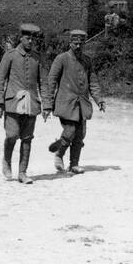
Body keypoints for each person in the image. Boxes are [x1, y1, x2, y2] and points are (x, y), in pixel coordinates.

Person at [43, 29, 104, 175]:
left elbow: (93, 82)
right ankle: (59, 154)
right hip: (66, 104)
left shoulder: (87, 61)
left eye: (81, 44)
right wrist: (47, 104)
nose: (78, 46)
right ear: (70, 43)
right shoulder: (61, 59)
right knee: (70, 130)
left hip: (82, 105)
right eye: (75, 43)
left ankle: (74, 164)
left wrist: (99, 100)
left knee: (80, 134)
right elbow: (51, 81)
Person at [0, 23, 43, 184]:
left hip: (31, 104)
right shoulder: (10, 55)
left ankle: (23, 172)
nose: (30, 42)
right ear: (21, 38)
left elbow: (44, 83)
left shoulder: (37, 58)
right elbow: (0, 80)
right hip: (13, 103)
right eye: (27, 38)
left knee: (27, 139)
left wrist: (47, 104)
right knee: (12, 135)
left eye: (32, 39)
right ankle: (7, 160)